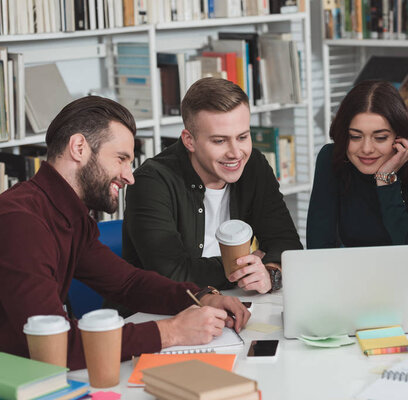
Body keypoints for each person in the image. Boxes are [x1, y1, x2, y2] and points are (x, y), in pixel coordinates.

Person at [0, 96, 250, 370]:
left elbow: (127, 283)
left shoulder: (68, 214)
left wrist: (200, 296)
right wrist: (171, 332)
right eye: (121, 159)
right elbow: (57, 347)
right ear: (79, 148)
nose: (129, 176)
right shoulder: (21, 223)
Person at [121, 77, 302, 296]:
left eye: (243, 137)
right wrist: (245, 266)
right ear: (189, 141)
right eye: (219, 141)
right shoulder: (151, 181)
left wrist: (270, 272)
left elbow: (287, 245)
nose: (236, 153)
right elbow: (171, 274)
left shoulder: (253, 165)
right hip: (161, 312)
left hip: (234, 301)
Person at [306, 80, 408, 276]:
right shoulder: (332, 159)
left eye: (380, 137)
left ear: (400, 137)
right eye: (355, 137)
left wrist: (386, 181)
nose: (366, 149)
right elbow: (318, 253)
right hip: (351, 281)